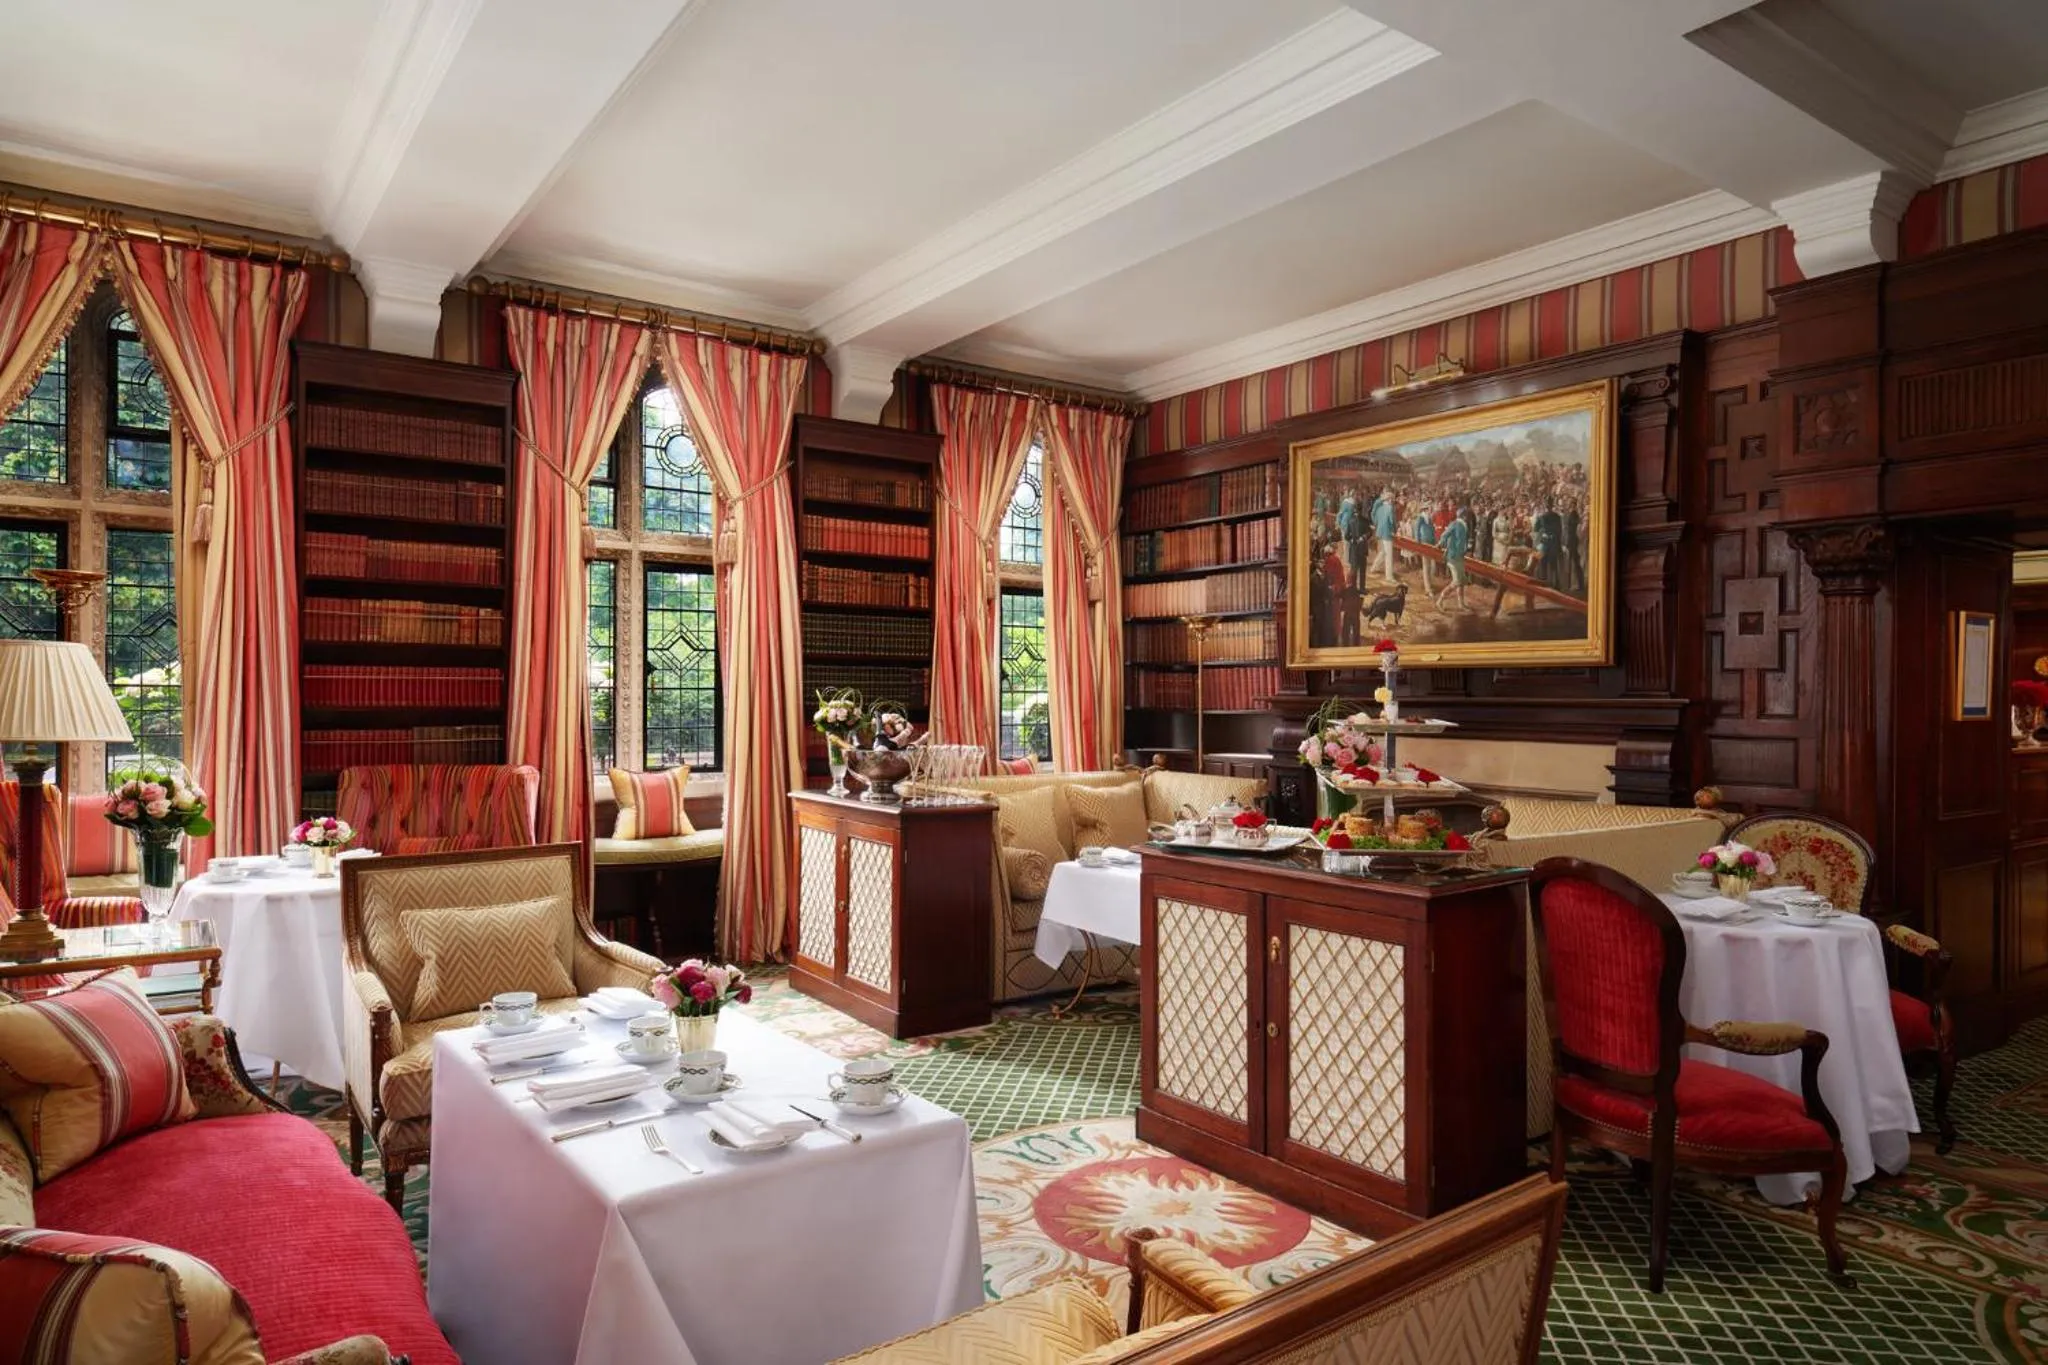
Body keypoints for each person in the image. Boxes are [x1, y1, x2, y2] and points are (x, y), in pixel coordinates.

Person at [1436, 507, 1472, 612]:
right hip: (1452, 556)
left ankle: (1461, 604)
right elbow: (1444, 534)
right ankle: (1439, 601)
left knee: (1461, 581)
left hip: (1460, 556)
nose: (1468, 518)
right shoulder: (1455, 524)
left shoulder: (1464, 525)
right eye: (1467, 515)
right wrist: (1440, 543)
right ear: (1464, 516)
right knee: (1456, 581)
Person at [1370, 486, 1398, 584]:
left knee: (1382, 552)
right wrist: (1395, 530)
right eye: (1392, 499)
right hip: (1387, 533)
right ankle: (1389, 576)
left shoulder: (1380, 508)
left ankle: (1374, 568)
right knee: (1388, 555)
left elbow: (1375, 518)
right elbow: (1392, 521)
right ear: (1389, 499)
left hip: (1380, 532)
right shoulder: (1390, 508)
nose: (1392, 501)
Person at [1532, 502, 1564, 590]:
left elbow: (1536, 529)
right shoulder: (1557, 517)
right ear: (1552, 506)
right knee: (1553, 565)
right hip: (1554, 542)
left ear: (1545, 506)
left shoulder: (1542, 516)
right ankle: (1556, 584)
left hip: (1545, 542)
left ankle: (1544, 584)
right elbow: (1559, 531)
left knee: (1543, 563)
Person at [1411, 505, 1437, 596]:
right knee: (1426, 566)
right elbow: (1416, 530)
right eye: (1430, 509)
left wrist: (1434, 542)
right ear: (1425, 509)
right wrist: (1418, 544)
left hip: (1430, 544)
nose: (1431, 510)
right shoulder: (1420, 518)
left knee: (1432, 566)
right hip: (1424, 543)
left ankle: (1429, 584)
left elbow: (1433, 531)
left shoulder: (1429, 519)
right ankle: (1428, 588)